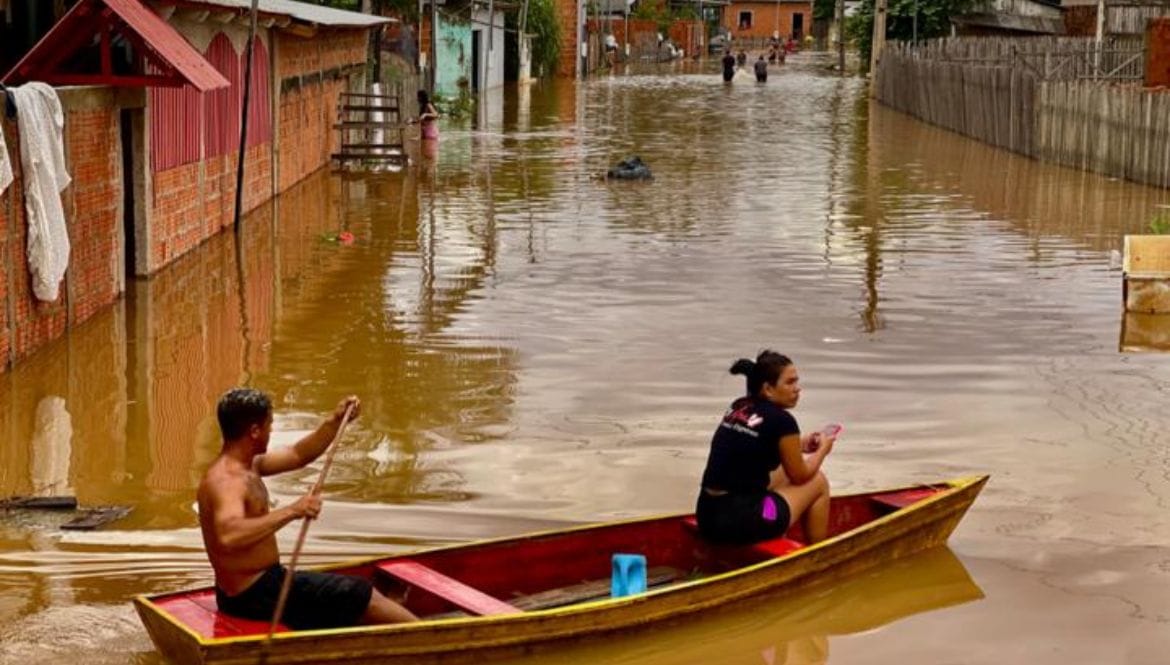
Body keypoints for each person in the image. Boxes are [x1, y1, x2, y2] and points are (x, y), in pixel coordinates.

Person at [198, 388, 418, 630]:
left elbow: (297, 454)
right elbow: (229, 535)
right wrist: (294, 510)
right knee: (359, 592)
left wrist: (334, 422)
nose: (272, 431)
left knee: (342, 598)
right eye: (269, 424)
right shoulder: (228, 480)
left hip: (254, 589)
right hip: (256, 595)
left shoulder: (250, 465)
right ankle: (433, 635)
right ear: (254, 431)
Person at [695, 351, 835, 545]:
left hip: (708, 517)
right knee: (818, 481)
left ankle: (778, 525)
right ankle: (818, 558)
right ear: (768, 389)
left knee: (781, 472)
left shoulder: (739, 406)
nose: (797, 389)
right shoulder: (783, 421)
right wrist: (822, 451)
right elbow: (800, 476)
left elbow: (752, 447)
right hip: (742, 521)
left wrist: (800, 445)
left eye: (796, 382)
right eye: (790, 382)